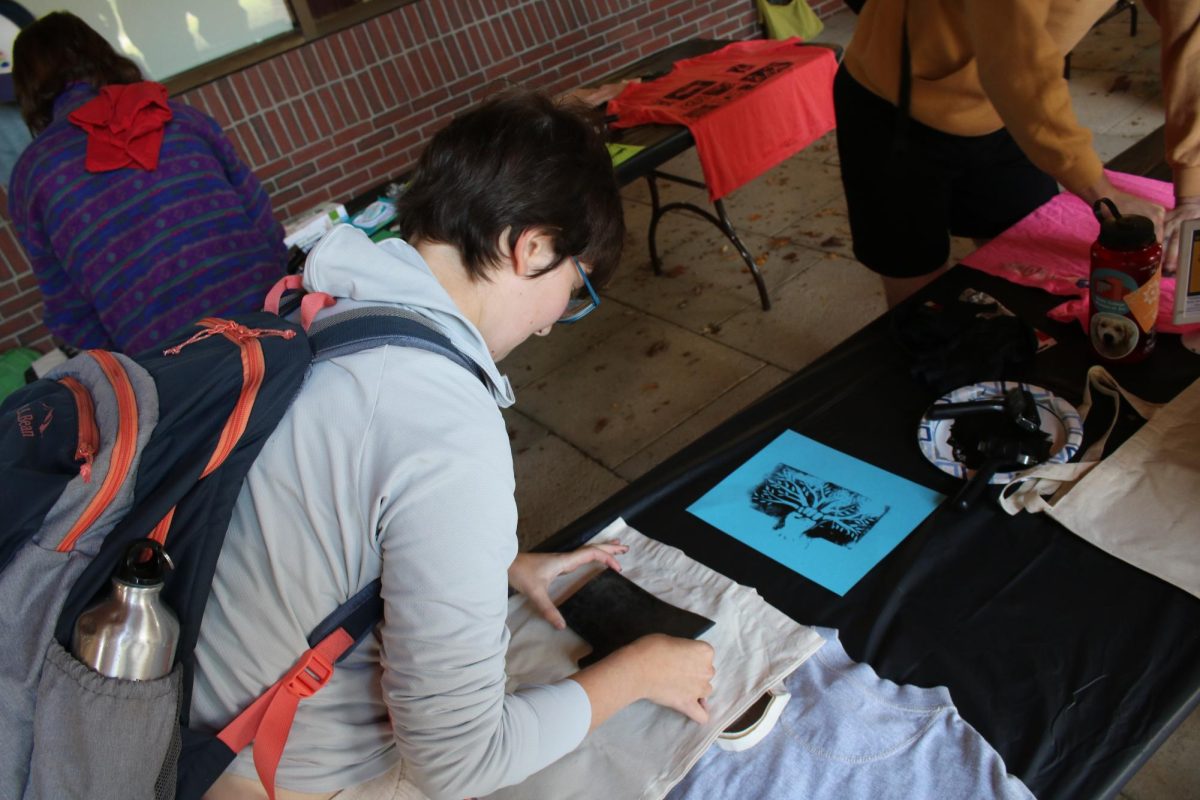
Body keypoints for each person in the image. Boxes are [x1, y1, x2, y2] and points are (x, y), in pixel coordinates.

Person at [191, 92, 716, 800]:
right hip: (285, 775)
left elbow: (322, 527)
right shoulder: (444, 426)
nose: (552, 325)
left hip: (196, 713)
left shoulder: (315, 309)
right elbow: (459, 765)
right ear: (531, 248)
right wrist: (643, 670)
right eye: (576, 287)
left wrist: (494, 563)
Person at [834, 0, 1200, 307]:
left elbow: (1193, 37)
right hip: (893, 106)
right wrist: (1104, 192)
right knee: (920, 289)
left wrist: (1192, 191)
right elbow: (1016, 66)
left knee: (1024, 266)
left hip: (1010, 114)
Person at [8, 12, 286, 355]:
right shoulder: (179, 117)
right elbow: (263, 219)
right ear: (100, 53)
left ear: (28, 86)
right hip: (274, 323)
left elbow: (69, 312)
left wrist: (139, 363)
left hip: (176, 366)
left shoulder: (33, 174)